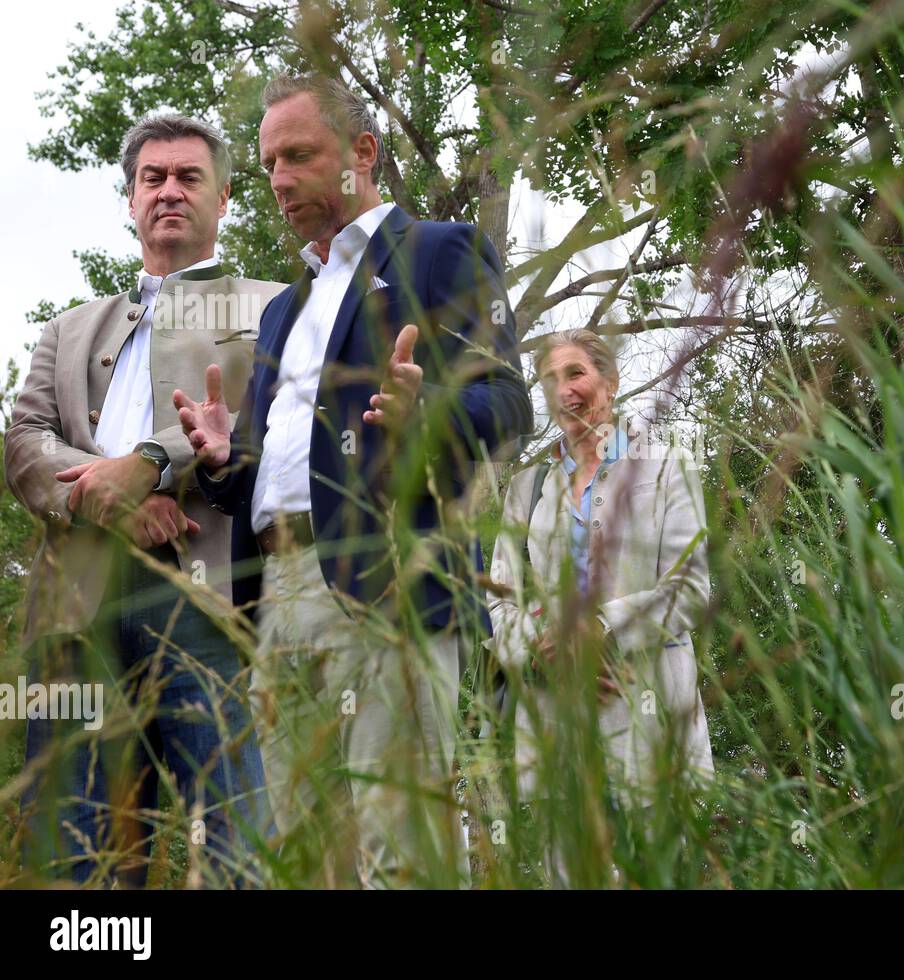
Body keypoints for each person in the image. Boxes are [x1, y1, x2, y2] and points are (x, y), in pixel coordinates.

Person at [174, 74, 532, 888]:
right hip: (276, 592)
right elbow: (288, 467)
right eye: (268, 164)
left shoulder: (441, 250)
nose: (280, 179)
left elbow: (510, 406)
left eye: (299, 155)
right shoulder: (281, 310)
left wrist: (430, 408)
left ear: (361, 153)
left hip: (389, 580)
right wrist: (230, 462)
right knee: (294, 855)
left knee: (397, 849)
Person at [4, 114, 283, 887]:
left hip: (209, 609)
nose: (169, 192)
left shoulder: (272, 308)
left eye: (189, 177)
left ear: (224, 197)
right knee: (74, 858)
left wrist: (153, 464)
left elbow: (264, 424)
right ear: (129, 200)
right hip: (77, 620)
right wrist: (109, 499)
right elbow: (24, 440)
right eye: (152, 179)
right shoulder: (68, 328)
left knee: (235, 846)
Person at [485, 329, 712, 885]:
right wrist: (544, 655)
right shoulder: (525, 489)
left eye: (576, 373)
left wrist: (603, 627)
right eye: (550, 380)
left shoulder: (664, 465)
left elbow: (691, 588)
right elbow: (498, 601)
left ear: (609, 383)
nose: (564, 390)